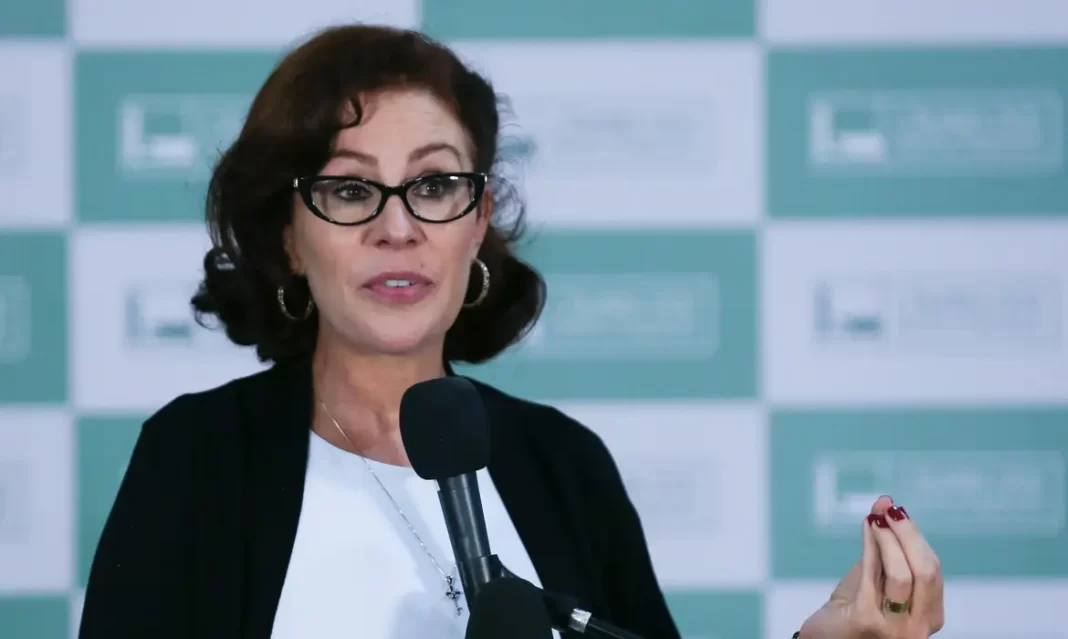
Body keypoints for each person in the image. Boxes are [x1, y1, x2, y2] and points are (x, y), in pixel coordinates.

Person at [77, 24, 945, 639]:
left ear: (478, 221)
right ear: (289, 239)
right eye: (349, 189)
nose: (397, 227)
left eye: (434, 185)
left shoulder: (563, 465)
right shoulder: (197, 458)